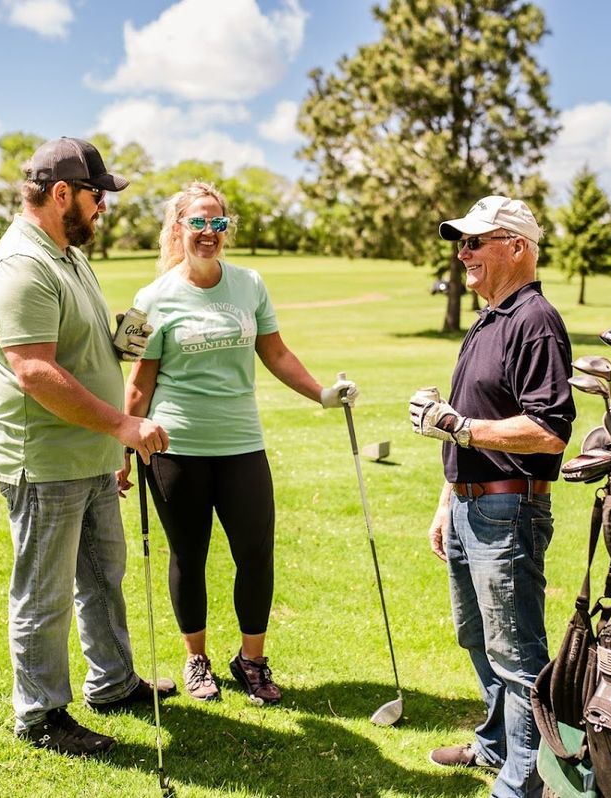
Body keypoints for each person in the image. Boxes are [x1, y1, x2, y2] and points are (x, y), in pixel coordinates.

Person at [118, 181, 357, 706]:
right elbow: (137, 381)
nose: (209, 233)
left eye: (218, 223)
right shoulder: (150, 298)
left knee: (255, 553)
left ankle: (251, 660)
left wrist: (321, 394)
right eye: (198, 223)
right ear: (177, 229)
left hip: (242, 444)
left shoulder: (250, 284)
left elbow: (275, 352)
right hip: (174, 447)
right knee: (189, 554)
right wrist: (123, 448)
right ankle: (196, 659)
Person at [0, 136, 175, 757]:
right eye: (97, 197)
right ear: (62, 193)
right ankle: (40, 717)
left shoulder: (68, 256)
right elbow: (34, 371)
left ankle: (113, 683)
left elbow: (92, 348)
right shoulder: (22, 266)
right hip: (43, 464)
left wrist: (141, 324)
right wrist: (123, 428)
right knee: (45, 593)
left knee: (101, 576)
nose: (103, 209)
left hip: (86, 456)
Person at [408, 195, 575, 798]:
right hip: (469, 505)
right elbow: (470, 415)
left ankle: (525, 779)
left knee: (516, 650)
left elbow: (551, 429)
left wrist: (459, 428)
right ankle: (496, 742)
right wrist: (446, 501)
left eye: (477, 242)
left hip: (508, 509)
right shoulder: (489, 320)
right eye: (462, 242)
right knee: (475, 636)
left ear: (517, 247)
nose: (464, 252)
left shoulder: (535, 320)